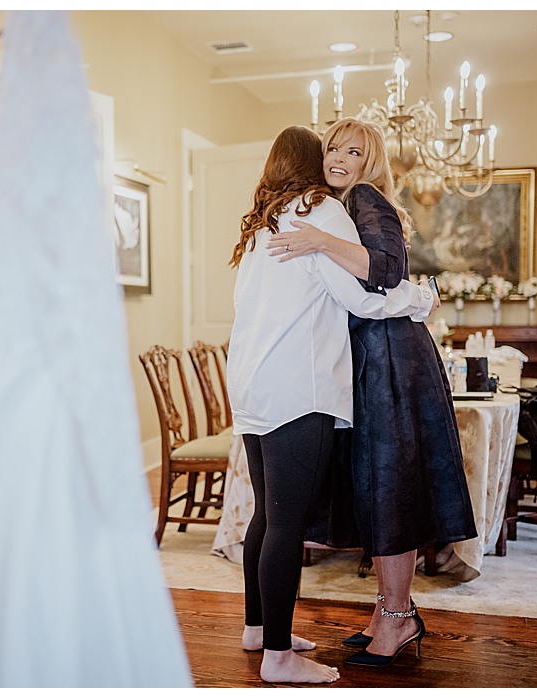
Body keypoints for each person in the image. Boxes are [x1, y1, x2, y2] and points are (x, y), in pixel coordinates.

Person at [227, 124, 438, 683]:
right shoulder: (320, 209)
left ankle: (258, 627)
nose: (335, 162)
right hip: (301, 386)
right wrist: (421, 298)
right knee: (286, 525)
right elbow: (362, 300)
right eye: (328, 152)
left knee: (268, 514)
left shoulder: (262, 223)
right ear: (311, 164)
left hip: (252, 383)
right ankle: (278, 657)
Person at [265, 117, 477, 668]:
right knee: (378, 488)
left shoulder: (364, 197)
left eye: (353, 151)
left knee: (392, 486)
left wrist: (319, 240)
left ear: (369, 162)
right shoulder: (338, 205)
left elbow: (387, 270)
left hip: (391, 359)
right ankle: (389, 610)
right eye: (333, 147)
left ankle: (398, 616)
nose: (339, 157)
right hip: (373, 356)